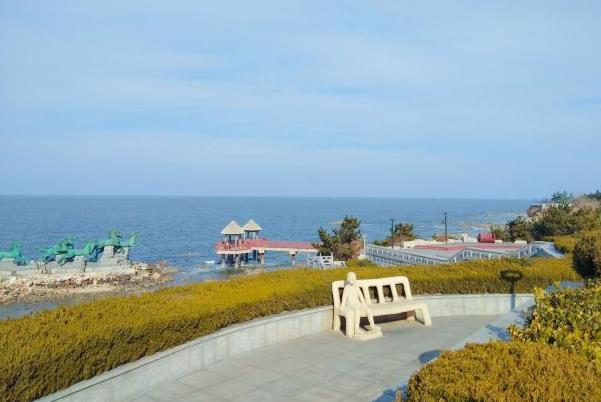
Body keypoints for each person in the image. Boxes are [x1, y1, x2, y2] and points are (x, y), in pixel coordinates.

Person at [339, 272, 380, 338]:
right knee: (357, 310)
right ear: (348, 279)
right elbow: (344, 299)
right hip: (350, 305)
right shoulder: (346, 288)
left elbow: (361, 298)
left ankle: (372, 326)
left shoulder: (356, 287)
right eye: (351, 278)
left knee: (368, 310)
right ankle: (356, 329)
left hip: (358, 304)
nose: (353, 279)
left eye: (354, 278)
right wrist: (342, 306)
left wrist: (364, 305)